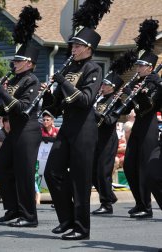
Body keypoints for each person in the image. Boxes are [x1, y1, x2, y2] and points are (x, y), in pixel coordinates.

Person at [0, 6, 42, 228]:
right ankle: (12, 209)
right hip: (14, 130)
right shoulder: (15, 81)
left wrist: (1, 91)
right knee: (1, 166)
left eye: (18, 61)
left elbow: (21, 107)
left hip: (28, 131)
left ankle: (29, 216)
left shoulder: (32, 81)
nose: (14, 64)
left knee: (24, 174)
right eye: (14, 61)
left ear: (28, 63)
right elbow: (2, 113)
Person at [43, 27, 102, 240]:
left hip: (84, 129)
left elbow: (86, 100)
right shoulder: (69, 69)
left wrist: (63, 82)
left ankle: (81, 228)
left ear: (88, 48)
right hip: (67, 126)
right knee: (52, 171)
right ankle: (67, 218)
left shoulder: (94, 68)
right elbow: (57, 107)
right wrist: (48, 94)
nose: (73, 49)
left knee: (80, 180)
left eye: (77, 46)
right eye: (73, 45)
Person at [120, 49, 161, 219]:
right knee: (129, 165)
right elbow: (129, 108)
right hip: (137, 127)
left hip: (149, 127)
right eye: (137, 65)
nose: (137, 68)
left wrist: (138, 94)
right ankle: (139, 202)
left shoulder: (154, 82)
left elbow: (148, 106)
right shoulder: (140, 81)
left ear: (150, 68)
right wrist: (127, 93)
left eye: (141, 66)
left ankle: (147, 206)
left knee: (144, 167)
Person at [91, 72, 124, 215]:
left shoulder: (116, 101)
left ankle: (106, 204)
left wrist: (93, 111)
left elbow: (110, 120)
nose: (102, 86)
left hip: (108, 140)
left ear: (112, 87)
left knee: (103, 172)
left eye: (105, 84)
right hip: (95, 138)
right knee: (93, 172)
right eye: (102, 84)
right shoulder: (99, 99)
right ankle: (109, 196)